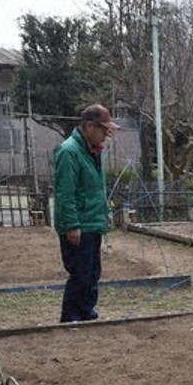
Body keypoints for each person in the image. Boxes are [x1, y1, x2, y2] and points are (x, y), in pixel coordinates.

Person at [54, 103, 117, 323]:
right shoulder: (70, 151)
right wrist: (72, 224)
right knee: (80, 274)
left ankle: (86, 311)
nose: (106, 135)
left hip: (92, 221)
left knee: (92, 272)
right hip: (79, 224)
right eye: (103, 129)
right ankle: (70, 316)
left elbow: (93, 188)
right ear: (90, 126)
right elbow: (65, 193)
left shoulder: (91, 152)